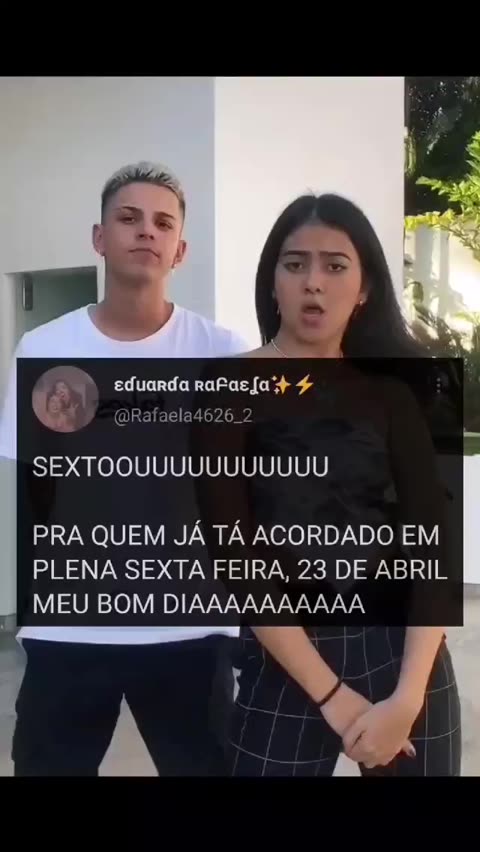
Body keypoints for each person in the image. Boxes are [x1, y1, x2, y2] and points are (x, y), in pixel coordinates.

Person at [194, 192, 462, 777]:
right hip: (286, 655)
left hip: (404, 655)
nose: (313, 282)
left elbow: (433, 545)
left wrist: (408, 699)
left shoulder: (396, 393)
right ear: (273, 282)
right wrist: (333, 697)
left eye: (335, 266)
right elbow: (234, 556)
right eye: (295, 264)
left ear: (364, 289)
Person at [0, 161, 247, 776]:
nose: (146, 232)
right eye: (129, 218)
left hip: (191, 629)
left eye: (163, 223)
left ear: (180, 249)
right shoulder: (45, 349)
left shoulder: (222, 353)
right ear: (99, 237)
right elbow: (35, 490)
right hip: (70, 630)